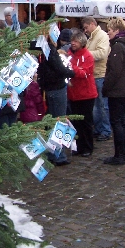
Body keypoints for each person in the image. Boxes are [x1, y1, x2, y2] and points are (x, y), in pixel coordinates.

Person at [36, 36, 76, 166]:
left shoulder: (40, 48)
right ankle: (58, 155)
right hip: (57, 88)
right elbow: (59, 68)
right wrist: (72, 73)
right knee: (59, 121)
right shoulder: (49, 49)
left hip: (48, 88)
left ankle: (51, 153)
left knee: (51, 120)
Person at [102, 17, 125, 165]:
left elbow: (114, 71)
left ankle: (120, 155)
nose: (108, 33)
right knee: (121, 123)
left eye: (109, 30)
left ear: (116, 30)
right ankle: (121, 154)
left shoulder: (118, 47)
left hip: (117, 91)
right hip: (124, 89)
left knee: (118, 123)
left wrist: (106, 87)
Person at [66, 30, 98, 157]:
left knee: (86, 122)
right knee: (76, 122)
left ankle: (88, 147)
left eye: (76, 41)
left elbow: (84, 73)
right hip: (73, 94)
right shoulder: (69, 54)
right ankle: (78, 146)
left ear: (82, 42)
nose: (73, 43)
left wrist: (70, 66)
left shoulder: (87, 56)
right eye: (72, 41)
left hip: (86, 95)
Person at [81, 16, 111, 141]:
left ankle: (105, 130)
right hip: (93, 75)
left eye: (86, 27)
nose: (85, 30)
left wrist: (85, 54)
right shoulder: (92, 37)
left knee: (102, 105)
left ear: (92, 24)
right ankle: (99, 128)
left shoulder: (102, 36)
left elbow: (102, 53)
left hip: (100, 75)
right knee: (96, 105)